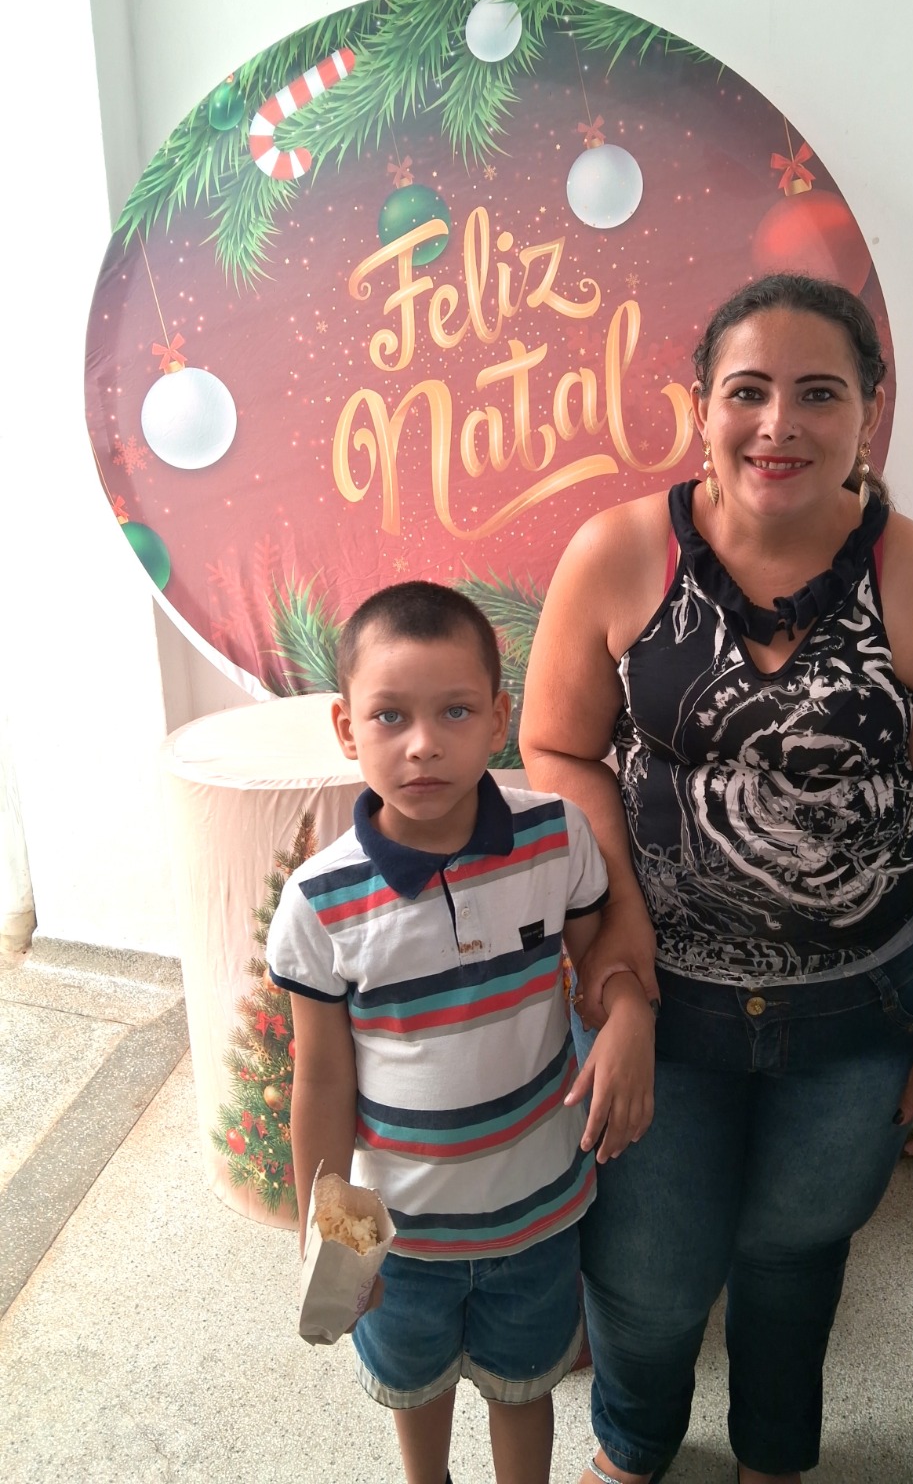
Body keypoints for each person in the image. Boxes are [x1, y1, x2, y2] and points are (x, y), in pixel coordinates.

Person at [518, 274, 913, 1484]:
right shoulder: (619, 555)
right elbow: (557, 748)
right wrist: (619, 947)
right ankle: (635, 1446)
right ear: (700, 405)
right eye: (747, 391)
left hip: (860, 1015)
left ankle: (775, 1456)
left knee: (795, 1251)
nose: (778, 425)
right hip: (658, 1008)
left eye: (819, 394)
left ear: (870, 410)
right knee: (648, 1268)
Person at [268, 582, 655, 1484]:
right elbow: (320, 1080)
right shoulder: (320, 902)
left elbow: (597, 959)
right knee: (416, 1387)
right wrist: (325, 1230)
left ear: (498, 720)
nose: (423, 743)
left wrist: (630, 1009)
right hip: (400, 1234)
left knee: (525, 1387)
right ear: (346, 727)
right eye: (389, 716)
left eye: (455, 711)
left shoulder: (556, 836)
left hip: (539, 1213)